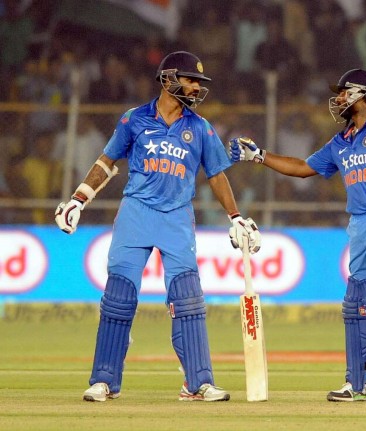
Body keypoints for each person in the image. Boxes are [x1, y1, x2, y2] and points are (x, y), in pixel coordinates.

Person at [55, 51, 261, 402]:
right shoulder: (134, 119)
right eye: (190, 80)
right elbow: (107, 162)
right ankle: (104, 380)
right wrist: (78, 199)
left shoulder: (200, 127)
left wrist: (236, 216)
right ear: (168, 79)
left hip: (177, 217)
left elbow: (216, 174)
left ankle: (198, 382)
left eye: (199, 82)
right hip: (136, 213)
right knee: (118, 298)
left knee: (188, 299)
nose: (196, 87)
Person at [229, 68, 366, 403]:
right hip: (359, 223)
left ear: (362, 93)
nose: (338, 98)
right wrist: (259, 156)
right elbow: (303, 168)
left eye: (344, 92)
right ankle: (360, 384)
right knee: (355, 303)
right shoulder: (340, 141)